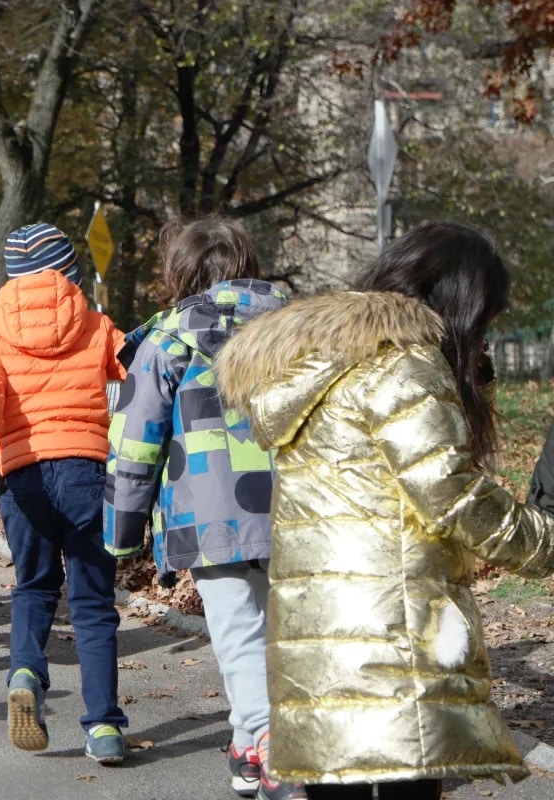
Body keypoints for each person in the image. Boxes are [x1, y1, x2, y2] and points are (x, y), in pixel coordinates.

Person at [214, 221, 554, 800]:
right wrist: (542, 542)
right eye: (485, 321)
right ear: (459, 301)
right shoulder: (404, 365)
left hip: (316, 630)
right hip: (388, 627)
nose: (485, 337)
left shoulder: (322, 362)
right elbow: (451, 491)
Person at [103, 217, 300, 799]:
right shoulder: (298, 332)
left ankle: (271, 752)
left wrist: (121, 532)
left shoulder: (168, 341)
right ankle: (248, 745)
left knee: (239, 632)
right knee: (283, 633)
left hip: (209, 514)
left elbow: (135, 444)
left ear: (182, 273)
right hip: (298, 507)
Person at [0, 222, 129, 764]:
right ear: (69, 272)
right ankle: (103, 727)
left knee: (33, 588)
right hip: (86, 472)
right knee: (94, 606)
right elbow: (136, 373)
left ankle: (26, 670)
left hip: (23, 477)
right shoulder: (97, 324)